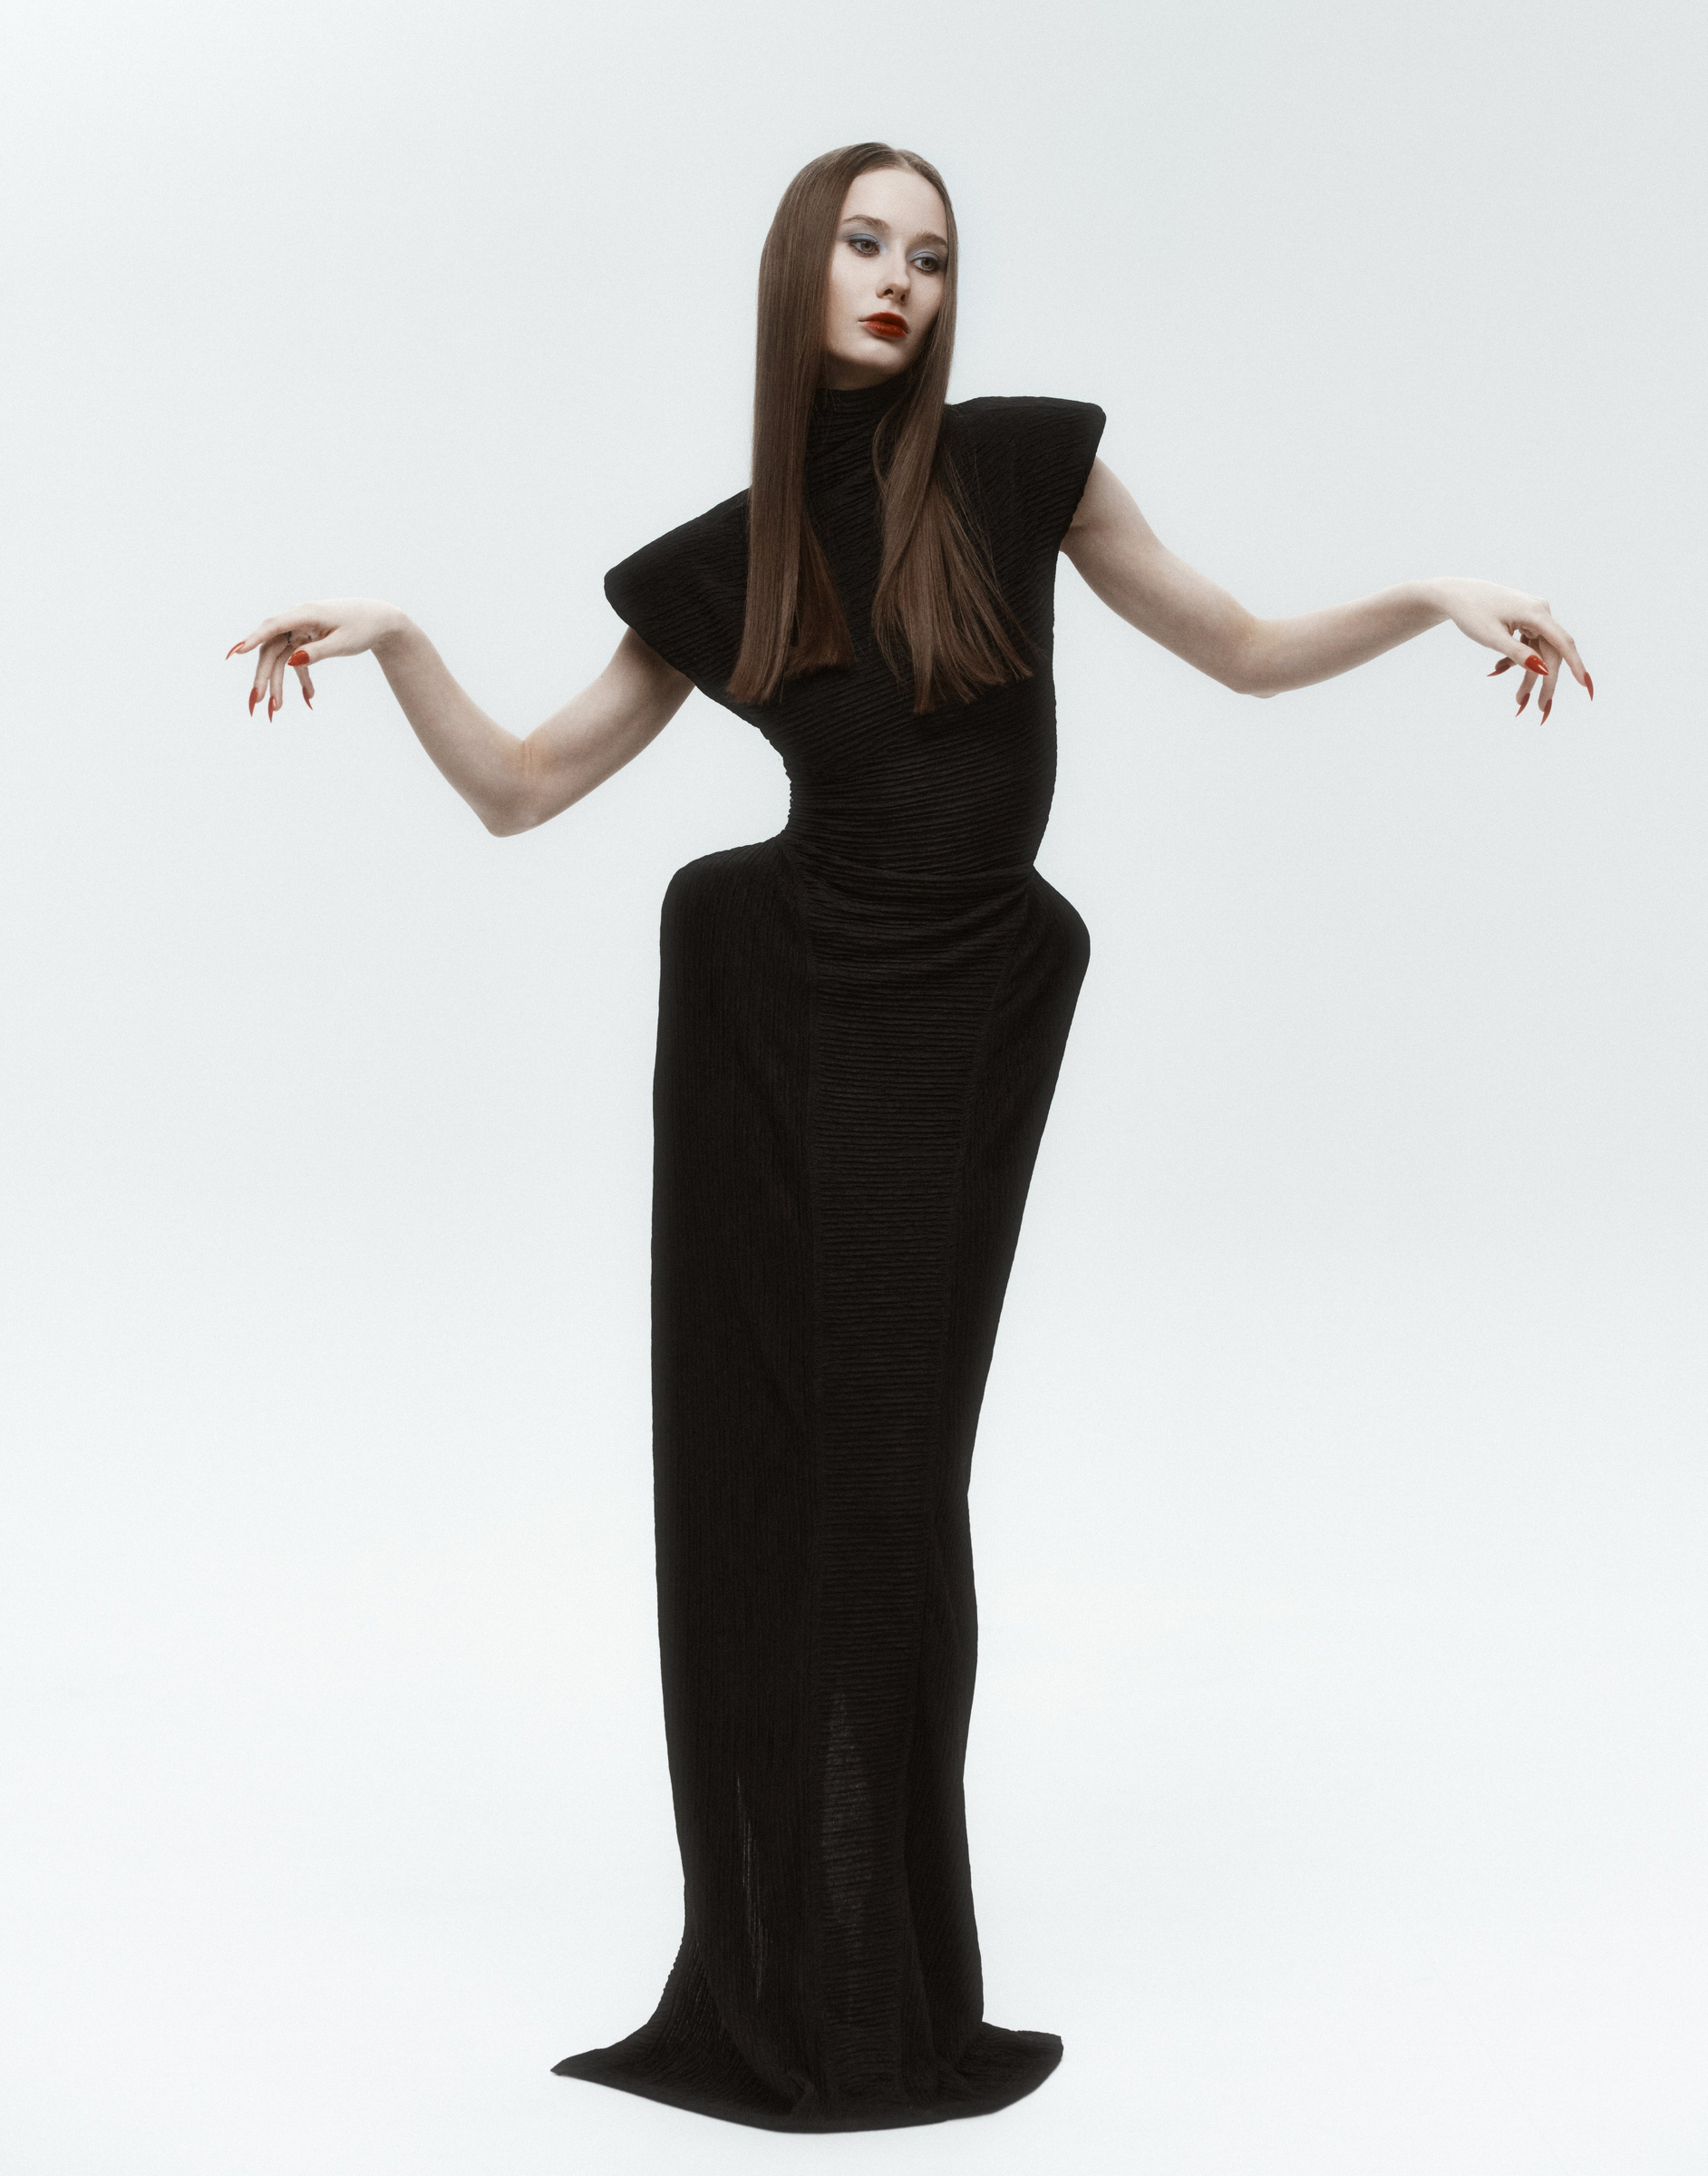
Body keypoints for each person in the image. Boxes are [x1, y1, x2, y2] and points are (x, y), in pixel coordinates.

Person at [228, 141, 1591, 2134]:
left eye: (933, 256)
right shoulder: (728, 564)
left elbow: (1236, 647)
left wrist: (1425, 594)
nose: (900, 280)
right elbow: (521, 790)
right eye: (866, 243)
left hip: (966, 1009)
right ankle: (822, 1984)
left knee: (895, 1493)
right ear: (800, 267)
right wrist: (405, 640)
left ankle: (874, 1976)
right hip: (790, 1021)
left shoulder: (1022, 467)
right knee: (817, 1489)